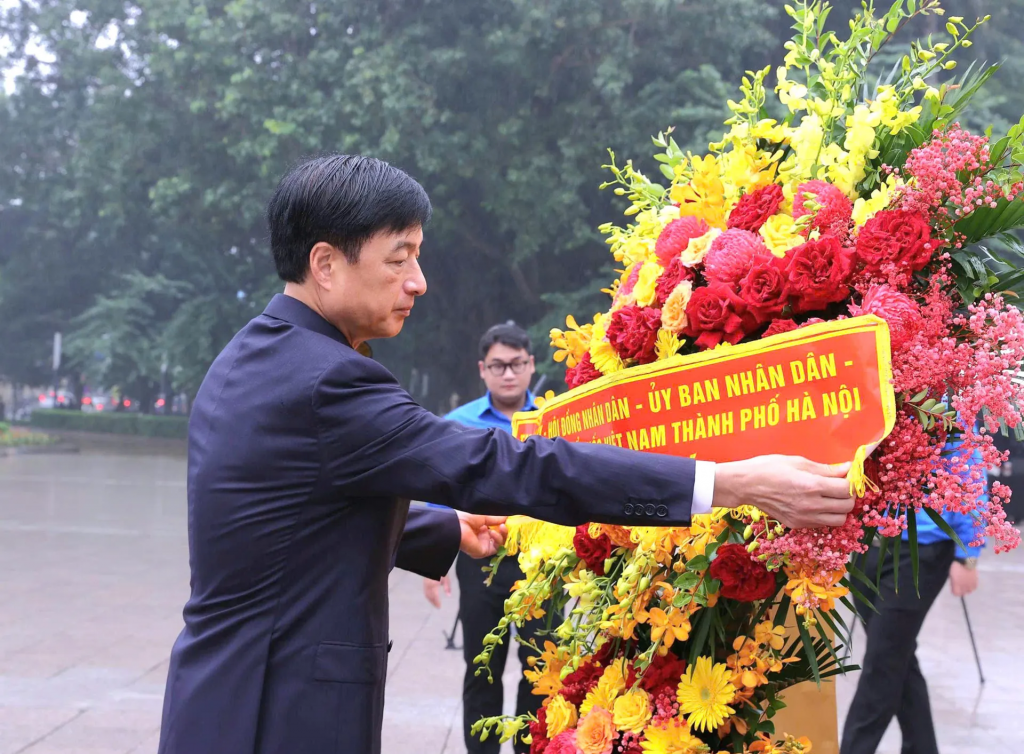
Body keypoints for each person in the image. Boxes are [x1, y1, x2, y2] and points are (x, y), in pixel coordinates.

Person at [157, 154, 857, 754]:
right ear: (325, 264)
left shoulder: (253, 354)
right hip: (279, 714)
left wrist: (441, 528)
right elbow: (508, 466)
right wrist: (729, 481)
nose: (419, 281)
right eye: (399, 258)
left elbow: (288, 517)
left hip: (224, 697)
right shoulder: (330, 380)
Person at [422, 323, 545, 754]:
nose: (508, 374)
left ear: (531, 366)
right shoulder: (458, 424)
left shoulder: (554, 418)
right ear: (482, 369)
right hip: (480, 558)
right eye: (498, 365)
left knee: (543, 668)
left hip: (542, 562)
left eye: (516, 364)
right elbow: (438, 491)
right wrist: (431, 562)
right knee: (482, 667)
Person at [841, 442, 986, 754]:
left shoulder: (944, 400)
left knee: (882, 662)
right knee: (897, 658)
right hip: (868, 546)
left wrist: (968, 555)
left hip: (921, 552)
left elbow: (971, 473)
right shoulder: (876, 398)